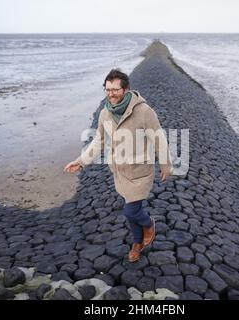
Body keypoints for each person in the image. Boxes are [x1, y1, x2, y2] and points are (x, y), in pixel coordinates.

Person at [64, 69, 172, 262]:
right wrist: (80, 161)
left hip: (139, 171)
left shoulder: (143, 111)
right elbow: (99, 141)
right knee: (130, 212)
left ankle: (149, 224)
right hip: (119, 172)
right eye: (107, 89)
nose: (111, 94)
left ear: (126, 89)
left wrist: (166, 164)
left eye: (115, 90)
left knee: (131, 210)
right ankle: (137, 243)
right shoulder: (105, 113)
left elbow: (159, 138)